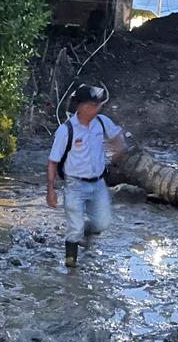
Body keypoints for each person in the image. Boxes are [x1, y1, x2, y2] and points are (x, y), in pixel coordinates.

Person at [46, 84, 127, 268]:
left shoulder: (101, 122)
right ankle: (71, 266)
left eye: (97, 105)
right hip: (74, 184)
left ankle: (86, 232)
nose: (96, 108)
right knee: (74, 226)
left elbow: (116, 137)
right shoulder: (66, 130)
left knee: (102, 222)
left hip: (98, 183)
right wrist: (50, 190)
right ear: (80, 106)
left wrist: (118, 151)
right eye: (92, 105)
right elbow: (53, 162)